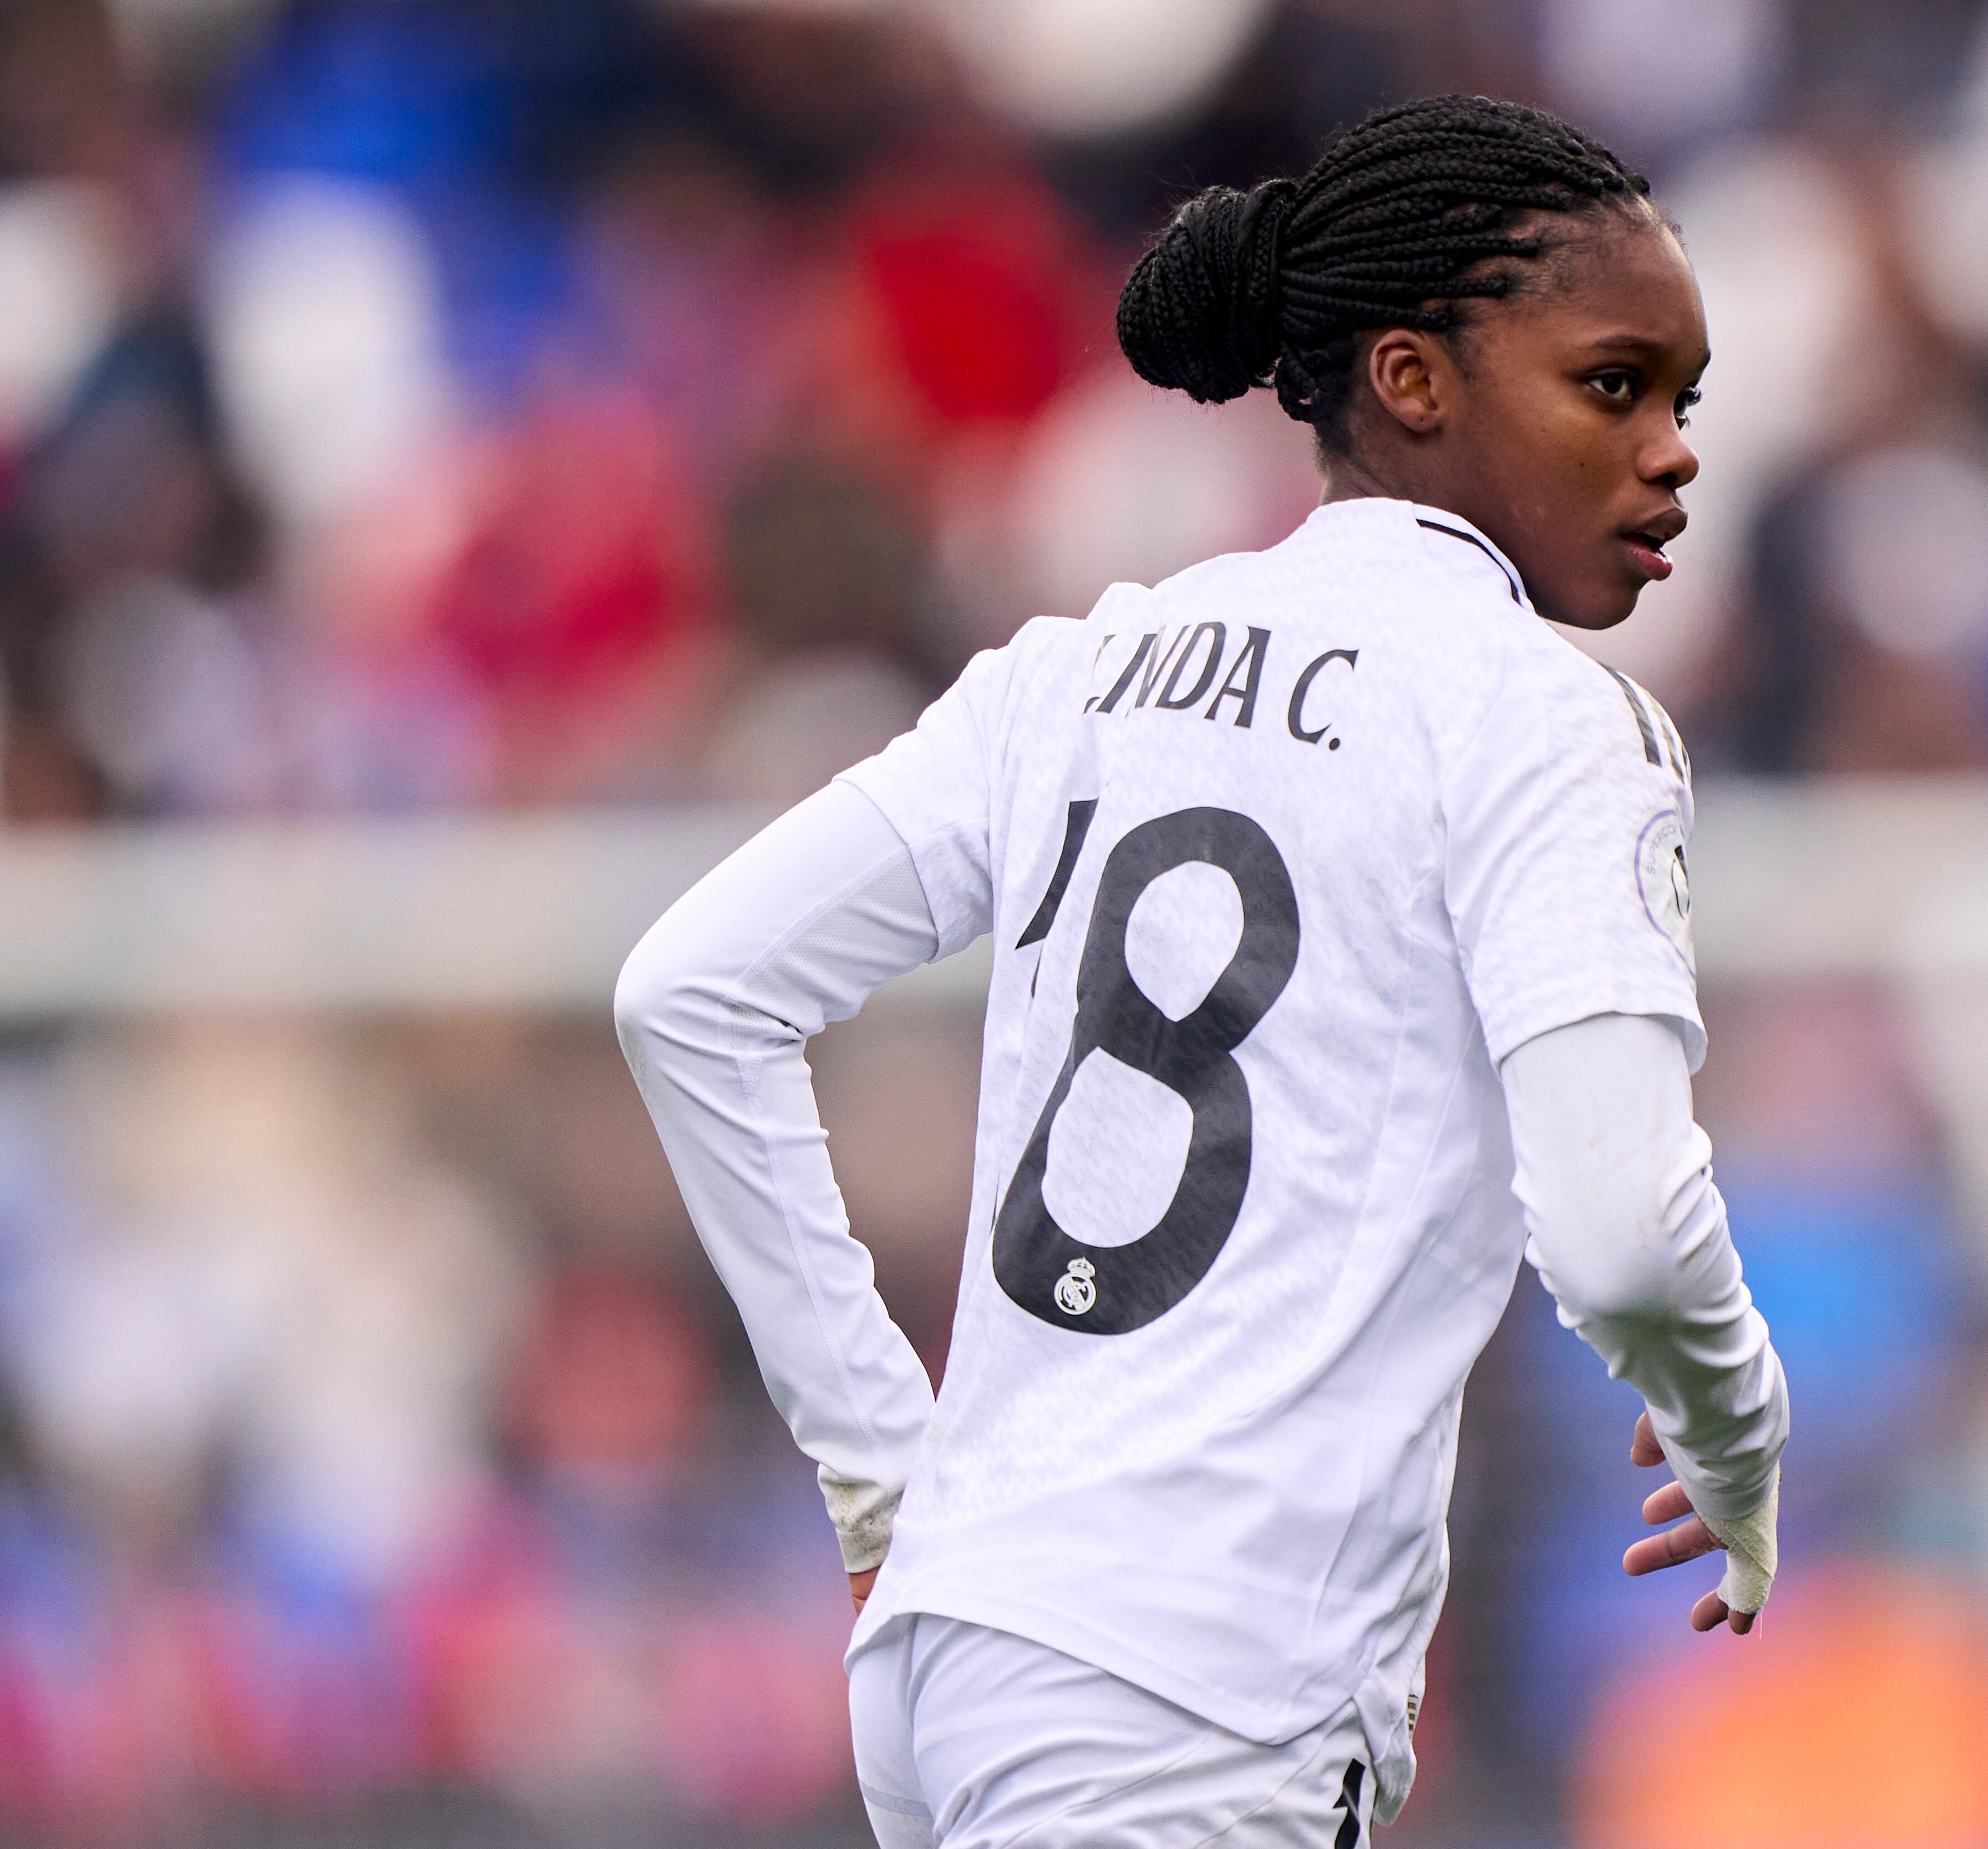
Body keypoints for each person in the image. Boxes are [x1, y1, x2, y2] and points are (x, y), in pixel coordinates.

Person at [615, 94, 1786, 1847]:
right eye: (1614, 385)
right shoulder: (1542, 721)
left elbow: (690, 992)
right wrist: (1735, 1423)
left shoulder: (1083, 666)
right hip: (1192, 1688)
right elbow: (1618, 1222)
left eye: (1684, 401)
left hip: (964, 1646)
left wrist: (882, 1473)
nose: (1673, 450)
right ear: (1411, 379)